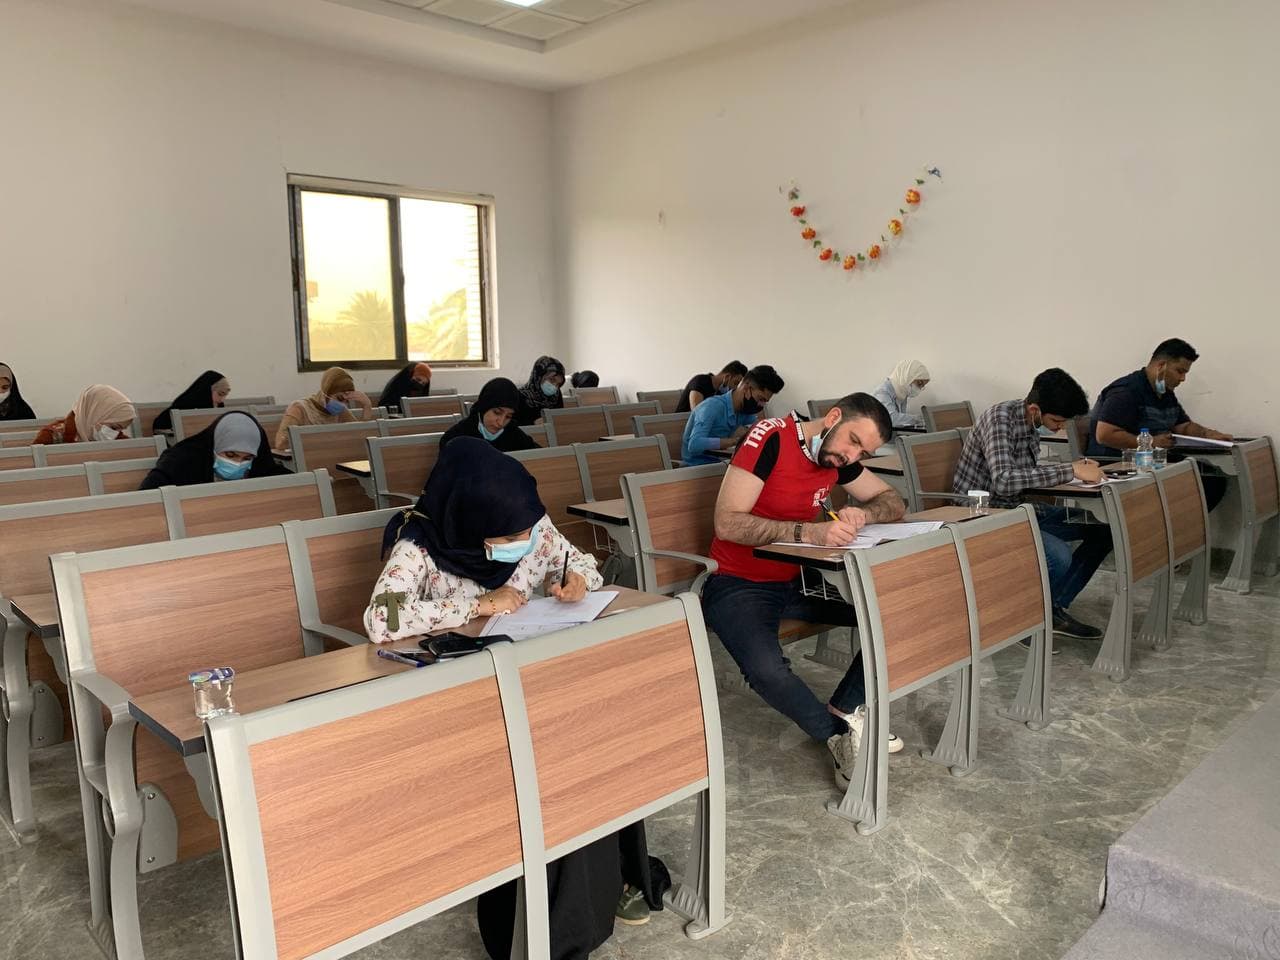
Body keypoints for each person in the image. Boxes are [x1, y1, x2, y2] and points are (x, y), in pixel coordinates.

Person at [362, 437, 668, 953]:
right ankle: (555, 923)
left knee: (604, 741)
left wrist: (577, 579)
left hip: (535, 677)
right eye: (508, 537)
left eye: (526, 532)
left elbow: (580, 562)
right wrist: (481, 603)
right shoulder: (419, 547)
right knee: (559, 762)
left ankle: (611, 876)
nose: (524, 543)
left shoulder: (532, 527)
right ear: (470, 518)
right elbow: (381, 618)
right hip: (469, 695)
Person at [700, 393, 907, 788]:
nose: (851, 456)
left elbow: (893, 501)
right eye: (852, 441)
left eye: (863, 452)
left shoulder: (837, 457)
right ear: (832, 417)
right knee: (767, 670)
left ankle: (844, 708)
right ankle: (837, 735)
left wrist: (863, 513)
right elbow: (727, 523)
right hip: (737, 582)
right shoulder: (771, 438)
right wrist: (808, 533)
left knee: (895, 613)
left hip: (801, 578)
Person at [952, 368, 1112, 640]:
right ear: (1035, 409)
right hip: (985, 514)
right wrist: (1070, 471)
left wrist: (1077, 473)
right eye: (1057, 420)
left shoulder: (1029, 424)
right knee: (1058, 555)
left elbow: (1024, 476)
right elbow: (1004, 481)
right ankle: (1025, 619)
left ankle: (1051, 609)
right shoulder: (999, 420)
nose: (1060, 428)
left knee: (1102, 530)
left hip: (1018, 509)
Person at [1088, 338, 1231, 510]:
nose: (1183, 379)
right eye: (1179, 371)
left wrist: (1208, 434)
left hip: (1153, 463)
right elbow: (1105, 434)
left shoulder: (1165, 393)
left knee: (1211, 478)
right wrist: (1151, 442)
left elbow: (1183, 426)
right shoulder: (1126, 392)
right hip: (1120, 466)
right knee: (1203, 483)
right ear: (1161, 366)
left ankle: (1177, 523)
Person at [139, 411, 287, 489]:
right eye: (230, 455)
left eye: (247, 458)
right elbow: (148, 499)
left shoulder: (263, 468)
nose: (237, 464)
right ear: (215, 445)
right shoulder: (179, 462)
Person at [681, 364, 783, 465]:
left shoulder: (745, 410)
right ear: (746, 388)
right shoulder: (712, 406)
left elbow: (759, 430)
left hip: (721, 462)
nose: (761, 404)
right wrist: (733, 441)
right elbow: (694, 444)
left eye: (765, 401)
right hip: (696, 466)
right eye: (761, 399)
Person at [275, 366, 372, 450]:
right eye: (339, 398)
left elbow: (359, 438)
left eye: (347, 401)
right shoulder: (299, 408)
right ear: (326, 393)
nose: (342, 404)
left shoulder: (341, 411)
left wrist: (367, 406)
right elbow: (280, 444)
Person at [440, 377, 540, 452]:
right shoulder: (456, 437)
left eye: (508, 416)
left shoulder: (512, 433)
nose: (501, 422)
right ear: (484, 408)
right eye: (497, 413)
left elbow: (538, 456)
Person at [34, 385, 135, 444]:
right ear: (94, 416)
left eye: (121, 429)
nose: (115, 434)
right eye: (114, 427)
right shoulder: (50, 437)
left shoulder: (120, 441)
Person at [151, 370, 230, 433]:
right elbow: (160, 427)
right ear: (207, 391)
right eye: (220, 394)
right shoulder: (185, 404)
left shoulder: (220, 406)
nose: (222, 400)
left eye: (225, 395)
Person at [871, 360, 931, 428]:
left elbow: (901, 423)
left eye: (922, 386)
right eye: (919, 383)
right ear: (907, 377)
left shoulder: (902, 394)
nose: (919, 388)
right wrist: (919, 419)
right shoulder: (882, 393)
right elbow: (892, 419)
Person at [676, 361, 748, 413]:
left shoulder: (721, 393)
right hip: (680, 425)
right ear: (727, 377)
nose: (734, 389)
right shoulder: (700, 381)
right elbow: (697, 414)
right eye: (736, 383)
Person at [515, 356, 566, 426]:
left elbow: (560, 418)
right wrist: (533, 423)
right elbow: (511, 425)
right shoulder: (520, 396)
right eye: (552, 380)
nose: (554, 386)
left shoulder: (556, 395)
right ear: (539, 376)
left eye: (558, 384)